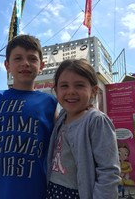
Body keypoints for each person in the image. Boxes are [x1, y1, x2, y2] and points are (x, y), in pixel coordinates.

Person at [0, 34, 58, 199]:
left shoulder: (50, 102)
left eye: (32, 58)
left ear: (41, 66)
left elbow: (62, 141)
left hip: (37, 190)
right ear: (7, 65)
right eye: (18, 58)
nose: (25, 63)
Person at [46, 59, 121, 199]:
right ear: (56, 90)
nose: (71, 91)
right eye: (64, 86)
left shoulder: (97, 121)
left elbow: (108, 172)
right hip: (53, 191)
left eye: (79, 85)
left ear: (93, 91)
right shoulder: (62, 118)